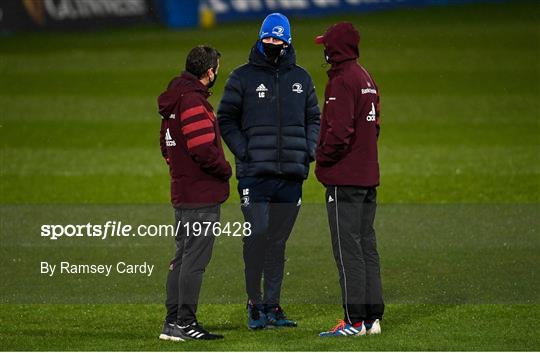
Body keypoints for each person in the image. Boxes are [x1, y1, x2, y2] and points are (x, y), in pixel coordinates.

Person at [218, 13, 320, 330]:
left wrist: (308, 150)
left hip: (290, 175)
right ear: (261, 38)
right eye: (268, 39)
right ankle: (253, 302)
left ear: (287, 42)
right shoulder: (242, 78)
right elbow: (226, 119)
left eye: (278, 40)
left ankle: (272, 306)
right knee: (257, 234)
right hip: (255, 176)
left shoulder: (302, 79)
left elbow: (314, 119)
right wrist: (243, 151)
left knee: (277, 243)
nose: (273, 44)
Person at [314, 22, 384, 337]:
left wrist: (323, 162)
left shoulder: (342, 81)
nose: (323, 53)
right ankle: (372, 319)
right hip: (368, 176)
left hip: (345, 179)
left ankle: (353, 322)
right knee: (366, 245)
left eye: (325, 46)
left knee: (347, 249)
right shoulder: (366, 77)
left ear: (335, 49)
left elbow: (338, 134)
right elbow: (376, 126)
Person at [157, 45, 232, 341]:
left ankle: (172, 323)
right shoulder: (192, 101)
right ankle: (185, 323)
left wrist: (180, 168)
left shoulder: (174, 99)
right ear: (209, 72)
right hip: (200, 194)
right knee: (194, 260)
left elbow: (166, 145)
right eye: (217, 68)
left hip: (183, 190)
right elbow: (202, 148)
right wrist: (224, 169)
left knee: (183, 256)